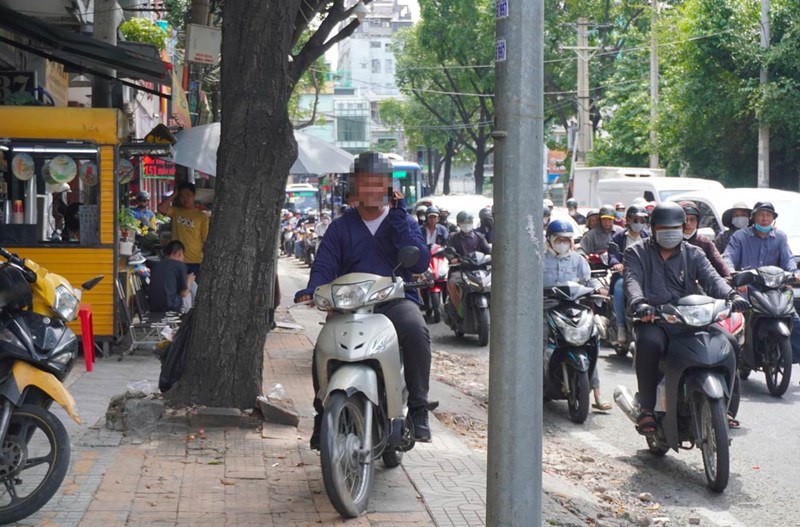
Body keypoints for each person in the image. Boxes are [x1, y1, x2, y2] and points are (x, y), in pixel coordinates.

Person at [294, 151, 433, 447]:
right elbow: (324, 265)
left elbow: (420, 262)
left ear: (389, 187)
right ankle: (323, 413)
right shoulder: (340, 227)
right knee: (323, 348)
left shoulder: (403, 221)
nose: (371, 189)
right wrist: (313, 288)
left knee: (416, 330)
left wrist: (398, 216)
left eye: (378, 183)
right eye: (365, 183)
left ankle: (419, 409)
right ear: (354, 187)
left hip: (393, 301)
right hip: (350, 305)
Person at [624, 202, 748, 435]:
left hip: (690, 318)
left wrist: (732, 296)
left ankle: (727, 408)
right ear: (653, 228)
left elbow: (713, 279)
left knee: (730, 342)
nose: (669, 232)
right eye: (663, 228)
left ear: (683, 228)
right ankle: (647, 408)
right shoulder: (636, 252)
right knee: (648, 343)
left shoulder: (694, 253)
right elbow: (632, 281)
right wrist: (640, 304)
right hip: (655, 318)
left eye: (675, 228)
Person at [543, 220, 611, 412]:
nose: (563, 243)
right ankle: (533, 385)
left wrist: (599, 289)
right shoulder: (539, 259)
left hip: (573, 308)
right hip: (546, 308)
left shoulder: (578, 260)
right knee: (538, 342)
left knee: (591, 340)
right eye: (559, 239)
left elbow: (588, 280)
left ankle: (597, 393)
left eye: (567, 239)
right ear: (550, 239)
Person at [722, 201, 800, 363]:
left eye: (768, 215)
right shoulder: (740, 236)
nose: (765, 218)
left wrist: (795, 274)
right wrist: (735, 276)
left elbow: (789, 260)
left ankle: (791, 359)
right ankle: (736, 360)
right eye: (761, 215)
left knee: (795, 319)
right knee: (737, 319)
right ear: (754, 217)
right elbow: (728, 258)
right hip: (748, 289)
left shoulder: (780, 237)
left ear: (773, 218)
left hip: (775, 289)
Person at [607, 204, 649, 346]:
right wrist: (616, 264)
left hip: (645, 276)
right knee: (619, 287)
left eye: (642, 220)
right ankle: (620, 326)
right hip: (624, 275)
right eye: (635, 219)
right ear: (628, 220)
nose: (639, 223)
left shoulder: (647, 237)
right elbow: (612, 254)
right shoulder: (619, 237)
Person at [158, 182, 209, 278]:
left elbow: (205, 238)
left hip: (195, 260)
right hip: (176, 259)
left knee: (192, 287)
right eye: (181, 196)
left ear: (194, 195)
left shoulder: (201, 216)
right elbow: (161, 208)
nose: (185, 198)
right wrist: (174, 195)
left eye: (188, 195)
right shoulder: (175, 211)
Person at [447, 211, 492, 319]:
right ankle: (459, 311)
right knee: (452, 284)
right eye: (463, 223)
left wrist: (492, 256)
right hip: (460, 269)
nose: (466, 225)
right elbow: (449, 251)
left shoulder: (479, 237)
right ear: (458, 224)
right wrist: (452, 259)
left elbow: (488, 250)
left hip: (479, 270)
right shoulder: (453, 237)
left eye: (468, 222)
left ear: (472, 223)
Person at [678, 201, 730, 278]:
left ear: (697, 221)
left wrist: (730, 277)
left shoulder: (704, 242)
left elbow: (720, 265)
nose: (688, 223)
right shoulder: (672, 241)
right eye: (685, 220)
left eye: (692, 219)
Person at [148, 240, 195, 313]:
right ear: (180, 253)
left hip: (154, 307)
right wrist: (189, 280)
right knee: (192, 287)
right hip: (172, 306)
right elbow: (184, 293)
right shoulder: (180, 266)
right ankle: (188, 314)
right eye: (183, 255)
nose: (183, 258)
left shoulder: (156, 266)